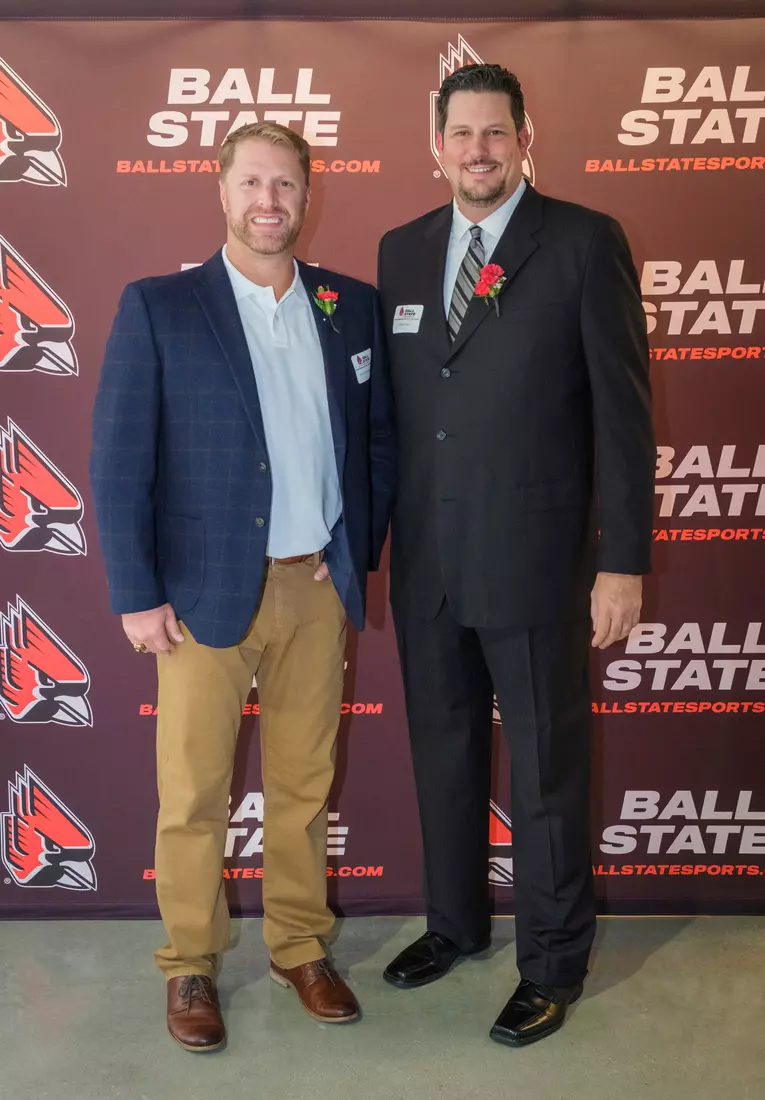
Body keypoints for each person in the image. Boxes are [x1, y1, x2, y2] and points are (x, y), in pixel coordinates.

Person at [90, 122, 395, 1052]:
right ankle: (189, 963)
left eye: (287, 186)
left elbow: (375, 442)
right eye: (252, 183)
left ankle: (299, 945)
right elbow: (117, 462)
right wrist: (137, 595)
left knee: (305, 787)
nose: (270, 202)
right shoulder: (161, 306)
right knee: (192, 794)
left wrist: (356, 556)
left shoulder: (350, 305)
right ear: (221, 193)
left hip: (316, 589)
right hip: (200, 597)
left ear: (310, 197)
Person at [377, 63, 654, 1047]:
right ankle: (453, 922)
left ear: (524, 140)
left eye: (498, 133)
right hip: (428, 565)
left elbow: (624, 420)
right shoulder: (402, 251)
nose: (480, 151)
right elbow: (399, 418)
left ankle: (553, 958)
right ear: (437, 144)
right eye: (464, 135)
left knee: (543, 770)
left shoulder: (582, 243)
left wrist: (622, 560)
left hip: (538, 562)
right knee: (443, 753)